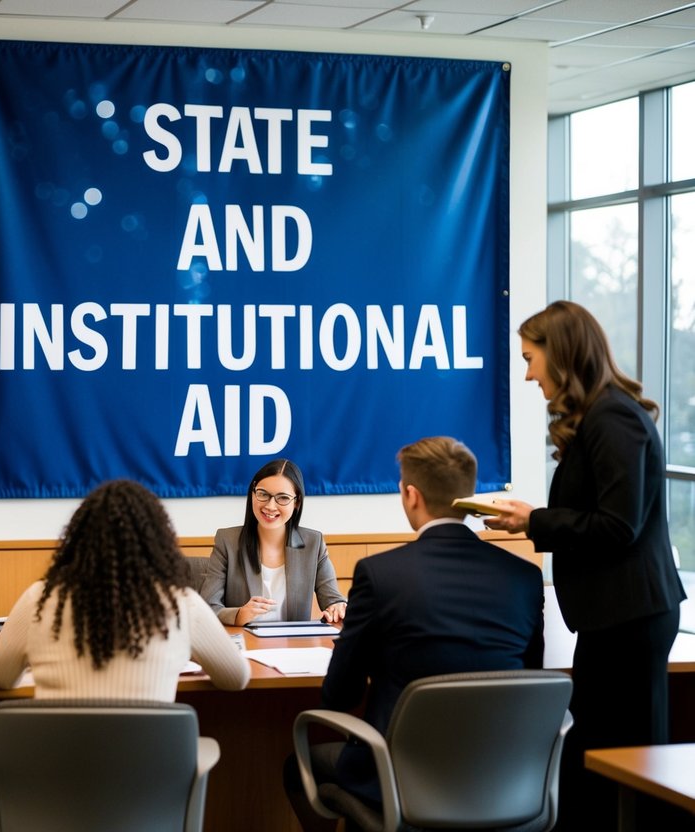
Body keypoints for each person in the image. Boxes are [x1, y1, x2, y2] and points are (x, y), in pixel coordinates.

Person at [483, 300, 686, 831]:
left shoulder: (615, 418)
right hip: (616, 617)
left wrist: (535, 521)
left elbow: (618, 526)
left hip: (630, 618)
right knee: (600, 753)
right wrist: (533, 521)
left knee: (626, 758)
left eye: (531, 358)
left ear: (563, 353)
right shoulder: (602, 416)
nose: (527, 374)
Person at [285, 436, 545, 831]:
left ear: (411, 495)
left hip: (399, 783)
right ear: (468, 495)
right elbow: (530, 677)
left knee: (296, 767)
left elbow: (340, 695)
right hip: (502, 778)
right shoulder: (525, 577)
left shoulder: (382, 575)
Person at [0, 479, 250, 699]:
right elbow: (236, 678)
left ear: (79, 539)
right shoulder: (182, 605)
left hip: (56, 762)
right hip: (152, 764)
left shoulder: (39, 599)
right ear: (157, 543)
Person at [200, 459, 347, 626]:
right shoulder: (227, 541)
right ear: (253, 493)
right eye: (263, 494)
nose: (270, 506)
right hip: (245, 644)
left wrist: (337, 607)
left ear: (296, 502)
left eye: (283, 498)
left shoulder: (314, 543)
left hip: (295, 647)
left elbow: (334, 600)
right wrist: (239, 614)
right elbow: (208, 607)